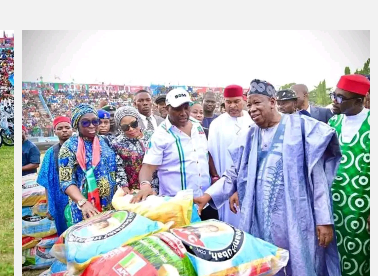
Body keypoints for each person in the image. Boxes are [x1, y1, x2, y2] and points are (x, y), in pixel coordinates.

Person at [194, 79, 341, 276]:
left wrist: (324, 220)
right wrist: (208, 196)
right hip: (259, 220)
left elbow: (318, 178)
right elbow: (233, 173)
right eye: (249, 105)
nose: (252, 109)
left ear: (272, 101)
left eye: (256, 103)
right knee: (265, 265)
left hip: (296, 219)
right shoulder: (250, 136)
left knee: (298, 264)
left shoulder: (301, 128)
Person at [134, 89, 214, 219]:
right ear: (167, 108)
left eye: (186, 108)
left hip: (205, 202)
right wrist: (145, 185)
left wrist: (215, 176)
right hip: (177, 209)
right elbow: (148, 167)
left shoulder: (197, 127)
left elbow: (205, 156)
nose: (183, 113)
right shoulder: (160, 136)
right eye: (177, 109)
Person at [328, 75, 370, 276]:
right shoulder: (333, 122)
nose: (334, 101)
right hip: (333, 207)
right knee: (334, 256)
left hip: (363, 209)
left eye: (339, 98)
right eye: (334, 95)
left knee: (360, 257)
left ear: (358, 101)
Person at [58, 104, 127, 225]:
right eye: (85, 123)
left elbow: (118, 166)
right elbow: (66, 181)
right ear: (76, 125)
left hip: (111, 204)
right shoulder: (69, 147)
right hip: (86, 207)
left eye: (95, 121)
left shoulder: (105, 141)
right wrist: (83, 202)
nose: (91, 126)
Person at [206, 85, 252, 227]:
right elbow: (211, 153)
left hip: (249, 181)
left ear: (243, 101)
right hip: (225, 181)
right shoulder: (217, 124)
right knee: (228, 221)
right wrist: (216, 178)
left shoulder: (252, 120)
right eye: (228, 102)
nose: (232, 105)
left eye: (236, 101)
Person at [36, 116, 73, 236]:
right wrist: (50, 206)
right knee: (65, 234)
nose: (64, 130)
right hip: (60, 199)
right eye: (60, 128)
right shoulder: (50, 153)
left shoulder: (81, 148)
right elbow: (46, 182)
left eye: (67, 127)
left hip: (81, 197)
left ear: (72, 129)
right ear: (55, 131)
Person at [111, 106, 146, 192]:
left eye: (134, 124)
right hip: (131, 189)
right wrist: (124, 186)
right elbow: (119, 167)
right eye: (125, 127)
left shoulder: (149, 137)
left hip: (152, 186)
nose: (131, 129)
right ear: (120, 127)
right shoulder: (116, 143)